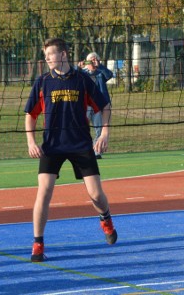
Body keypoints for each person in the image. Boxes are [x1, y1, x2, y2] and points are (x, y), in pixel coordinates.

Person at [25, 37, 117, 263]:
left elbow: (104, 106)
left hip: (80, 144)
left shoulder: (82, 80)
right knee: (43, 192)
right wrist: (31, 141)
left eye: (51, 54)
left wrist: (104, 133)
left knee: (95, 194)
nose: (47, 58)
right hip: (53, 145)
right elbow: (30, 114)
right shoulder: (43, 82)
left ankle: (105, 218)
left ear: (63, 55)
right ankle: (38, 243)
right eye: (45, 55)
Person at [78, 52, 114, 159]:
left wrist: (100, 66)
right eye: (90, 60)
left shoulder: (100, 73)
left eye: (95, 60)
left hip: (99, 105)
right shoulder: (82, 73)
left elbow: (109, 75)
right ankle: (82, 150)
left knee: (99, 128)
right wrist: (78, 67)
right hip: (86, 105)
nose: (92, 62)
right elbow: (73, 77)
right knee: (82, 127)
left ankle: (97, 151)